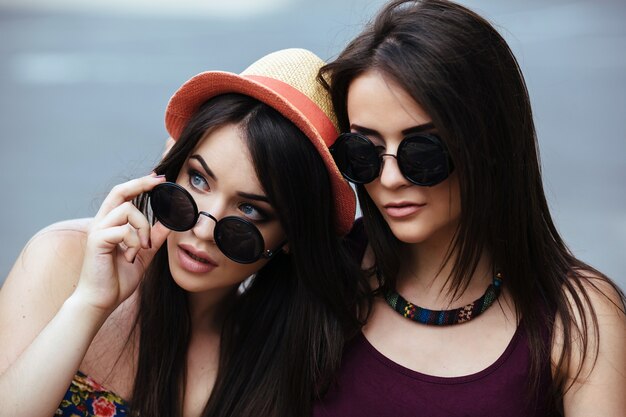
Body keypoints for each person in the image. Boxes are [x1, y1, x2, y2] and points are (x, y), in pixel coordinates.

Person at [0, 48, 361, 417]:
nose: (203, 229)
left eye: (250, 209)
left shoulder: (278, 363)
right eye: (199, 179)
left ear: (290, 241)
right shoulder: (62, 260)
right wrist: (89, 304)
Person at [315, 1, 626, 416]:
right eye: (363, 152)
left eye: (422, 151)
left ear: (489, 144)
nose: (389, 179)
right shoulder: (320, 276)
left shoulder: (580, 320)